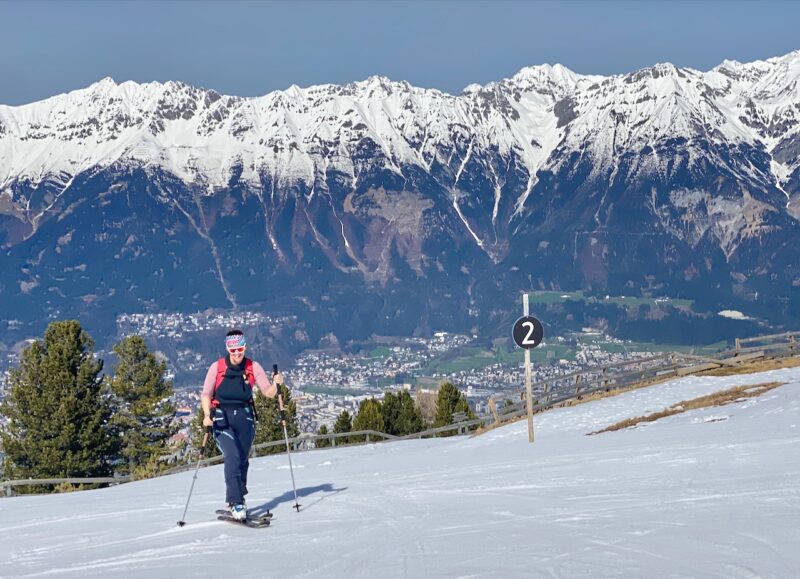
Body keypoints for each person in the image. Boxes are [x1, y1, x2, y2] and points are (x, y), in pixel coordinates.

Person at [201, 329, 283, 520]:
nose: (237, 354)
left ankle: (237, 499)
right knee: (232, 456)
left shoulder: (253, 367)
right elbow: (206, 393)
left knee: (243, 460)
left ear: (245, 347)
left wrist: (277, 384)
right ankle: (236, 502)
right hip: (222, 417)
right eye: (233, 350)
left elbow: (267, 392)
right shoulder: (217, 368)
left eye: (240, 349)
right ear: (227, 349)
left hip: (245, 418)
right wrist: (207, 414)